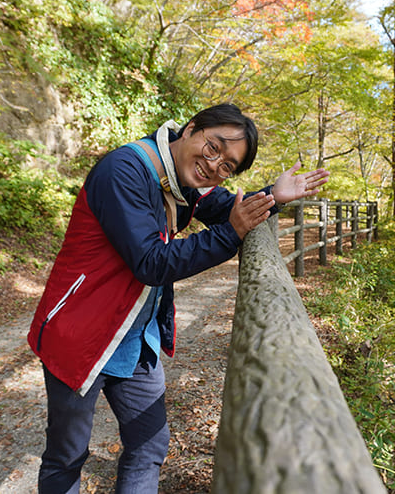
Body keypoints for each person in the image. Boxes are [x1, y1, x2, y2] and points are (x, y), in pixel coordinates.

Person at [27, 103, 329, 493]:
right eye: (214, 147)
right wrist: (230, 234)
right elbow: (151, 262)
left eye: (227, 166)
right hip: (80, 333)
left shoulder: (183, 177)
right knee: (67, 456)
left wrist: (274, 195)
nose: (214, 165)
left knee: (149, 444)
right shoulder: (125, 170)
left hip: (135, 340)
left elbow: (226, 208)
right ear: (190, 129)